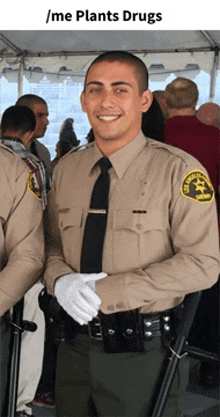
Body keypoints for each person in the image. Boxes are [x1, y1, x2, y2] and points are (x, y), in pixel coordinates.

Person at [44, 51, 220, 417]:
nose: (105, 101)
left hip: (142, 355)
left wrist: (103, 292)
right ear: (83, 100)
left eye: (119, 89)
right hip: (72, 348)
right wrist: (59, 279)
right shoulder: (67, 169)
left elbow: (203, 263)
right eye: (95, 89)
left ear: (143, 100)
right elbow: (51, 244)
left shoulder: (180, 171)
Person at [164, 77, 220, 388]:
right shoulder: (216, 138)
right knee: (209, 299)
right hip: (207, 233)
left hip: (156, 233)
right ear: (196, 101)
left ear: (164, 103)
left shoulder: (149, 137)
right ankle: (210, 365)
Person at [0, 105, 48, 417]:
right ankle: (19, 403)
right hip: (22, 257)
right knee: (31, 328)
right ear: (29, 132)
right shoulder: (30, 163)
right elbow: (42, 209)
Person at [15, 94, 52, 179]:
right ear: (23, 117)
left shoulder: (42, 151)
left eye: (46, 116)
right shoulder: (5, 149)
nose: (46, 122)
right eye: (39, 116)